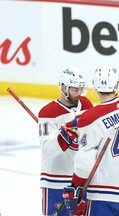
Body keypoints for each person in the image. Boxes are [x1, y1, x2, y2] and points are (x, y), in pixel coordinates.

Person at [62, 65, 119, 216]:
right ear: (117, 83)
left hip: (106, 191)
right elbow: (110, 113)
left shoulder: (90, 118)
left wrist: (75, 186)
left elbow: (85, 161)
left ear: (95, 86)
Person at [38, 67, 93, 215]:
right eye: (74, 89)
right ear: (63, 87)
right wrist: (65, 135)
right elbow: (47, 150)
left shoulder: (86, 105)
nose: (78, 93)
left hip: (81, 178)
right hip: (56, 179)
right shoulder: (47, 112)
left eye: (80, 89)